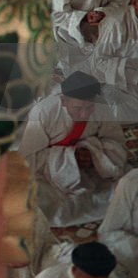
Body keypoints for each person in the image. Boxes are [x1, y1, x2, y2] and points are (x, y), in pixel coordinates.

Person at [19, 71, 127, 226]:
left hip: (93, 167)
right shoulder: (43, 112)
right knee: (39, 204)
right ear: (63, 101)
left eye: (89, 107)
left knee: (125, 188)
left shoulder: (101, 108)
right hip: (49, 171)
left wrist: (93, 153)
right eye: (78, 108)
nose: (84, 114)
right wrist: (69, 158)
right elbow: (28, 158)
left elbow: (116, 142)